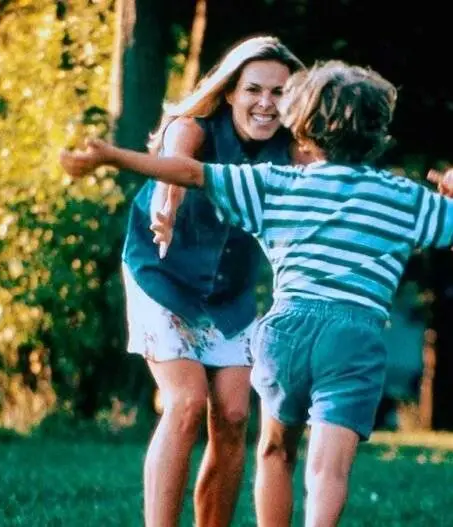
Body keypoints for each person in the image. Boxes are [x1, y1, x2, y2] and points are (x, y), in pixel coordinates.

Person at [59, 59, 453, 527]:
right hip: (354, 338)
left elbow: (190, 173)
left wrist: (113, 156)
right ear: (378, 129)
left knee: (274, 451)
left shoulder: (275, 184)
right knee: (327, 470)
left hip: (287, 331)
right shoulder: (405, 198)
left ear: (302, 125)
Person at [116, 35, 304, 527]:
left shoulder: (294, 150)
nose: (266, 103)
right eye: (254, 90)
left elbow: (346, 183)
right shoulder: (193, 127)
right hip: (162, 276)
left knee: (235, 415)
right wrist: (166, 204)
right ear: (230, 92)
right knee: (185, 402)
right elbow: (176, 168)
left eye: (279, 92)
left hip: (229, 293)